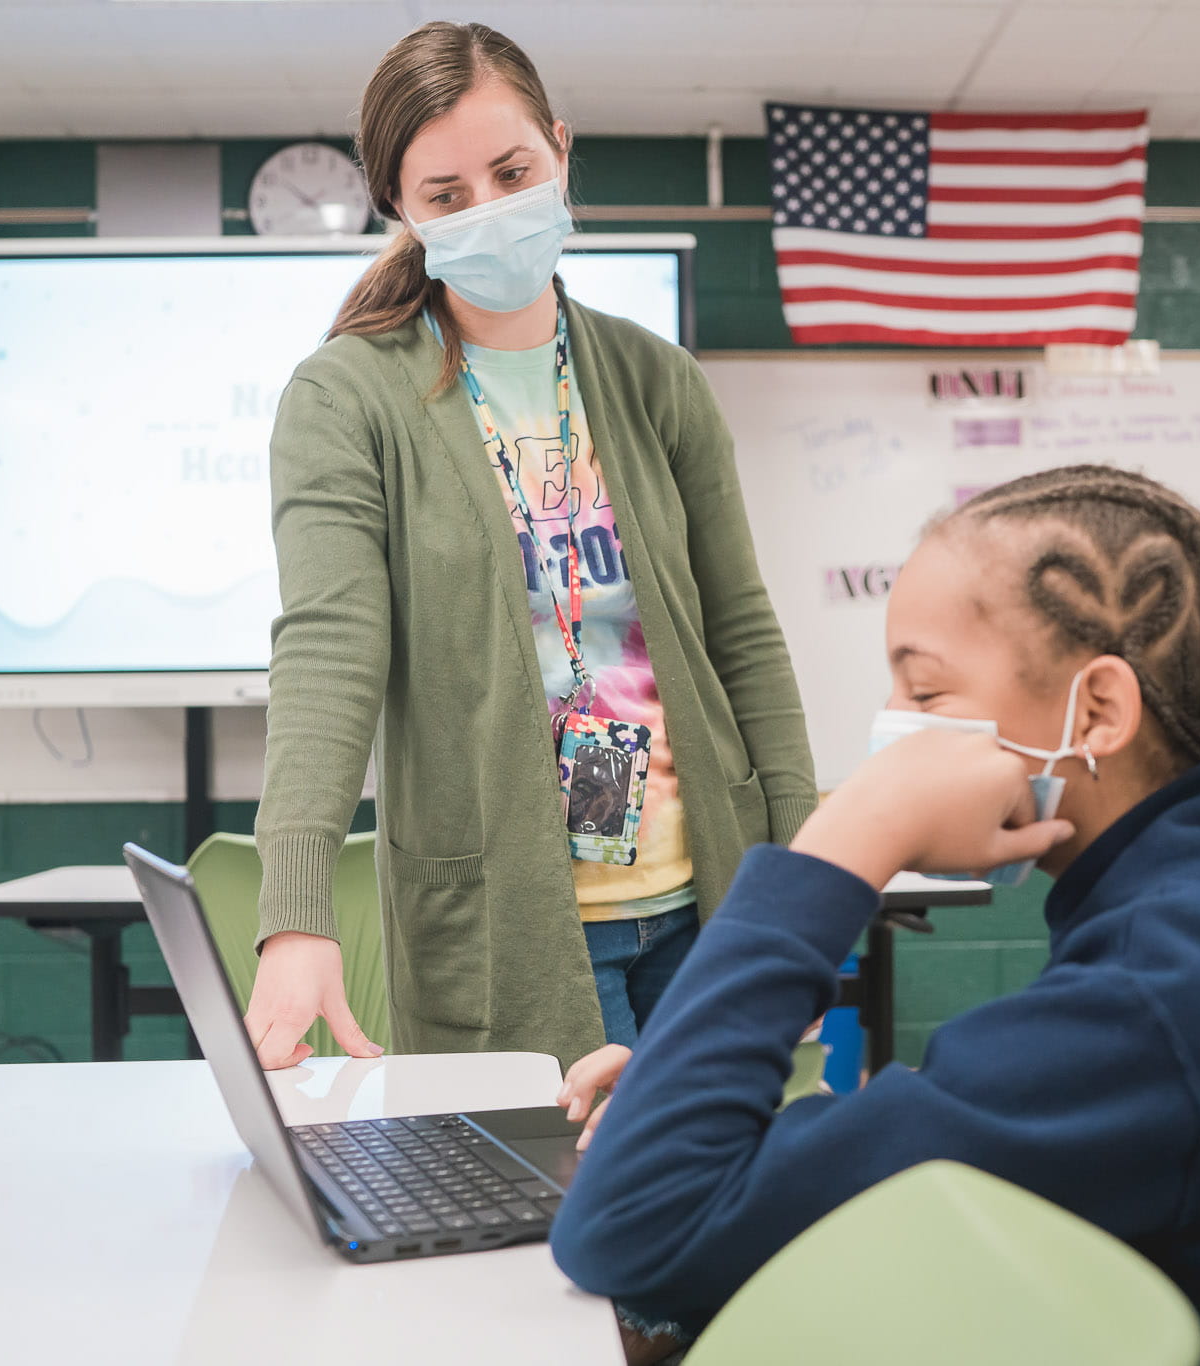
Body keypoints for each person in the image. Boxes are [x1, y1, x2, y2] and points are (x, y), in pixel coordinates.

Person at [551, 466, 1200, 1366]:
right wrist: (691, 1089)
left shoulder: (1189, 984)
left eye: (925, 688)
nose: (895, 729)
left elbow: (638, 1227)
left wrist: (851, 832)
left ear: (1096, 712)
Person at [245, 21, 816, 1072]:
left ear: (559, 149)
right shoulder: (346, 397)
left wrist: (808, 876)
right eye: (446, 195)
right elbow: (328, 650)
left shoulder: (657, 381)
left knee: (705, 1212)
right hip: (511, 922)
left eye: (512, 172)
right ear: (401, 211)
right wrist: (296, 909)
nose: (490, 211)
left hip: (712, 905)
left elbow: (740, 632)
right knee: (542, 1222)